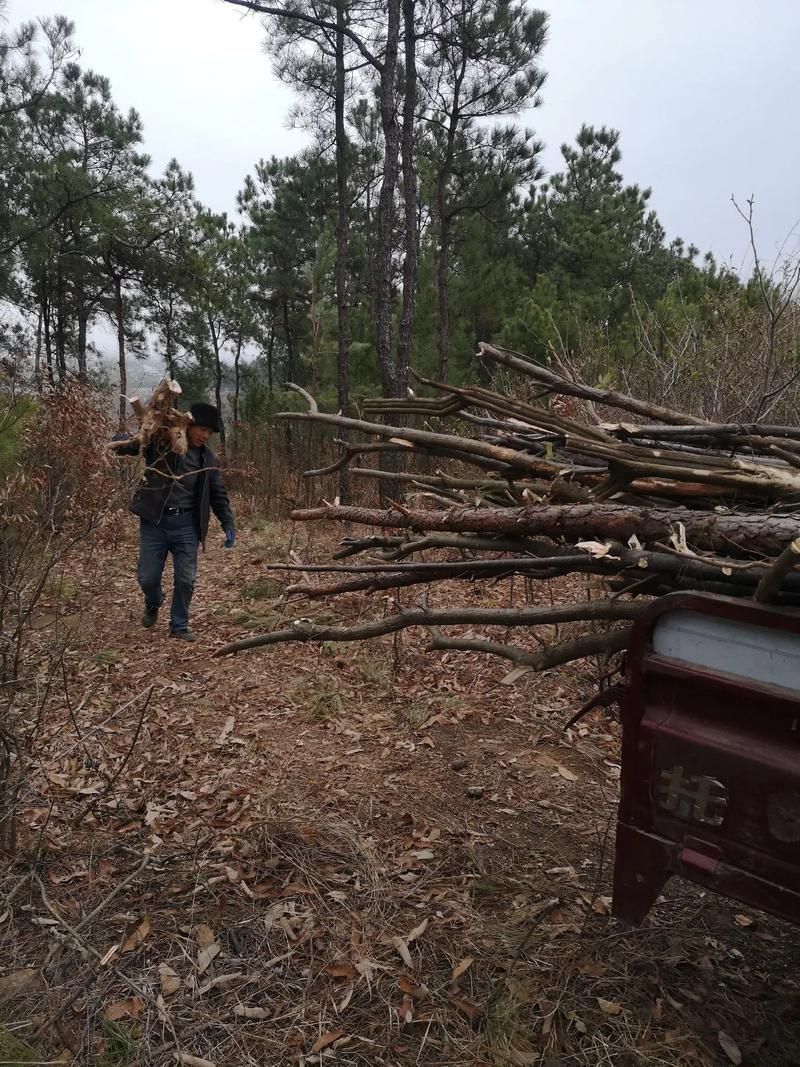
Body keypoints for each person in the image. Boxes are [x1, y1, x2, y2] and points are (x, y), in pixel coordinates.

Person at [115, 402, 235, 641]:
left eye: (209, 432)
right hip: (155, 522)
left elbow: (218, 494)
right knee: (147, 578)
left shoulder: (207, 459)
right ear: (187, 424)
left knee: (186, 579)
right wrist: (123, 439)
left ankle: (179, 625)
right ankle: (153, 600)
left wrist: (227, 523)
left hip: (186, 526)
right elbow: (131, 446)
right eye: (201, 429)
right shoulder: (162, 443)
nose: (205, 435)